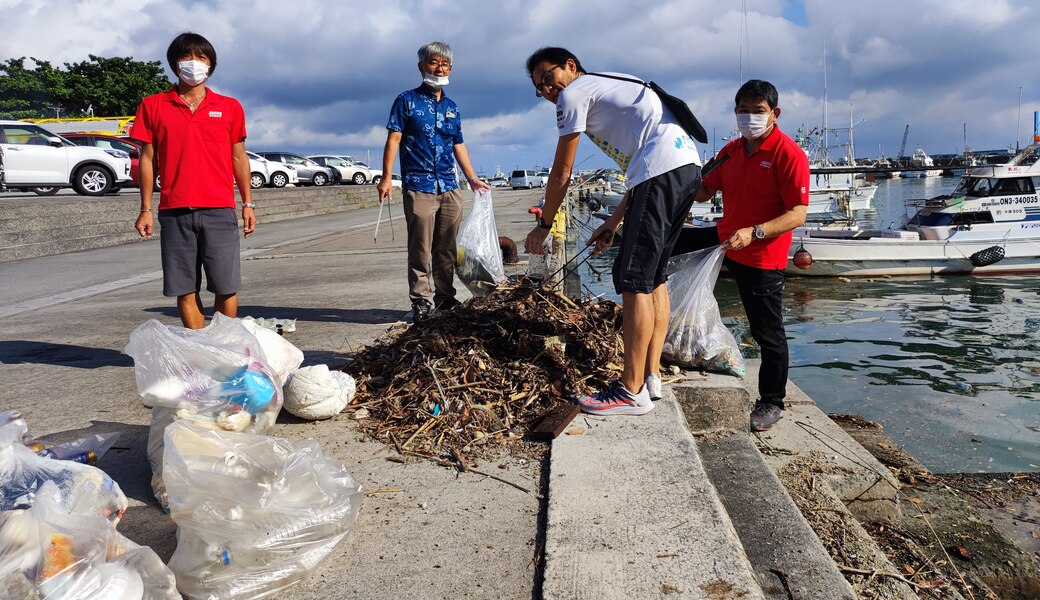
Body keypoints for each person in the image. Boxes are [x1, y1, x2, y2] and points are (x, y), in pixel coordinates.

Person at [524, 47, 702, 416]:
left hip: (661, 171)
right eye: (538, 88)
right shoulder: (614, 83)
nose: (546, 91)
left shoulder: (574, 94)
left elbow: (562, 172)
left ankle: (629, 390)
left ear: (569, 67)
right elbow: (643, 169)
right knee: (653, 278)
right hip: (685, 169)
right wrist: (612, 222)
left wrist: (544, 225)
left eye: (547, 78)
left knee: (633, 279)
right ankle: (650, 376)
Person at [671, 79, 809, 431]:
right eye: (743, 111)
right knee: (663, 248)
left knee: (767, 332)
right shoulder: (732, 151)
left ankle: (772, 401)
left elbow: (798, 213)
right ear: (735, 113)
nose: (750, 118)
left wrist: (756, 231)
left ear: (774, 114)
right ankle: (666, 337)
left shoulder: (787, 154)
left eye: (758, 112)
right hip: (724, 240)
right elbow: (702, 191)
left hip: (762, 254)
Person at [131, 32, 255, 329]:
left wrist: (248, 203)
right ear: (175, 63)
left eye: (202, 58)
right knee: (183, 287)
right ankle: (201, 350)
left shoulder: (229, 107)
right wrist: (145, 208)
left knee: (226, 285)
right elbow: (148, 159)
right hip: (174, 211)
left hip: (219, 209)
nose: (194, 63)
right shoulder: (153, 105)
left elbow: (239, 158)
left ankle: (224, 348)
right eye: (187, 57)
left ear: (211, 65)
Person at [378, 41, 489, 321]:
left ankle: (445, 297)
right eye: (434, 63)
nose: (440, 68)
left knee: (447, 248)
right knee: (420, 248)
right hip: (419, 185)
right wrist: (387, 177)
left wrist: (472, 178)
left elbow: (459, 145)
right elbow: (394, 138)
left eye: (445, 64)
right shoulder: (406, 101)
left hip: (449, 186)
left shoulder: (452, 107)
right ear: (421, 66)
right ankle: (421, 300)